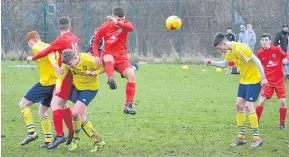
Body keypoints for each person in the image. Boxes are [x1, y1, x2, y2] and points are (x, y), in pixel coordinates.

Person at [205, 32, 268, 148]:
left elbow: (257, 61)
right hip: (244, 81)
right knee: (239, 105)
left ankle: (257, 138)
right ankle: (241, 137)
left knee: (249, 106)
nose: (220, 51)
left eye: (220, 48)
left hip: (254, 80)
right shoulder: (230, 51)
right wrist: (212, 63)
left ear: (224, 43)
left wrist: (263, 78)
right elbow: (225, 63)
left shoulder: (241, 48)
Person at [26, 16, 78, 149]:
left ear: (59, 28)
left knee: (55, 104)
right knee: (63, 105)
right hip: (73, 75)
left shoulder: (61, 39)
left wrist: (33, 57)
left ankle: (60, 135)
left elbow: (48, 51)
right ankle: (70, 130)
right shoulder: (74, 37)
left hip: (64, 76)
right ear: (70, 27)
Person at [56, 49, 105, 152]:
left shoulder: (89, 59)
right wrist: (58, 87)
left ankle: (76, 138)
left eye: (70, 64)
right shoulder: (67, 63)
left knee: (75, 113)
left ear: (75, 57)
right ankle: (97, 141)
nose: (69, 67)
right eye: (67, 65)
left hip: (90, 89)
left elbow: (104, 68)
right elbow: (60, 77)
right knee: (81, 116)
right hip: (77, 89)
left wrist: (94, 73)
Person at [92, 6, 136, 115]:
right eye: (118, 19)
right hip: (109, 54)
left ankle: (128, 106)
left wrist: (118, 23)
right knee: (108, 59)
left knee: (132, 75)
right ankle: (111, 79)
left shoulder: (125, 24)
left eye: (122, 19)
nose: (120, 21)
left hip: (122, 58)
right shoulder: (105, 26)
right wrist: (96, 55)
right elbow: (96, 42)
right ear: (112, 17)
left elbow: (131, 28)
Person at [20, 31, 60, 148]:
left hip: (46, 84)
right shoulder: (47, 45)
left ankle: (31, 133)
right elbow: (51, 53)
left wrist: (54, 65)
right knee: (43, 111)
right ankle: (48, 140)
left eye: (29, 44)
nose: (30, 46)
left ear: (31, 41)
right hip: (55, 83)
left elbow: (49, 55)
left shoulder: (36, 46)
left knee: (23, 104)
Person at [255, 33, 289, 130]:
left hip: (279, 81)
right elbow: (259, 66)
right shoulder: (260, 53)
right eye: (263, 40)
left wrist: (286, 60)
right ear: (260, 42)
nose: (264, 42)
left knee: (282, 102)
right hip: (267, 81)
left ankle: (282, 124)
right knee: (261, 101)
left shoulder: (276, 49)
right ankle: (255, 122)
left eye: (266, 40)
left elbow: (286, 56)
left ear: (270, 41)